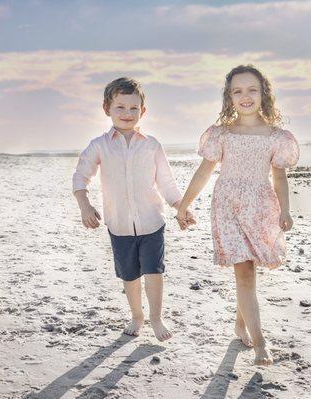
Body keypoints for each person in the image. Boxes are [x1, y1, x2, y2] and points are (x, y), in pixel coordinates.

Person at [176, 65, 300, 364]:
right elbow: (204, 171)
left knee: (250, 271)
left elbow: (279, 177)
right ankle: (260, 344)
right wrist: (184, 204)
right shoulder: (222, 134)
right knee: (243, 271)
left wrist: (285, 210)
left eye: (252, 89)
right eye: (238, 91)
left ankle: (240, 322)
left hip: (260, 205)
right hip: (227, 205)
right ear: (229, 97)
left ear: (264, 94)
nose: (245, 96)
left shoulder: (276, 136)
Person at [72, 77, 194, 341]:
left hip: (152, 222)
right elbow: (81, 177)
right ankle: (137, 315)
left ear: (143, 111)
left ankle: (156, 318)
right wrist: (85, 206)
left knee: (154, 271)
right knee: (129, 276)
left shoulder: (151, 145)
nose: (127, 113)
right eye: (120, 107)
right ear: (107, 108)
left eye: (133, 108)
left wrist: (181, 208)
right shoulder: (99, 145)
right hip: (119, 224)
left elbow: (167, 183)